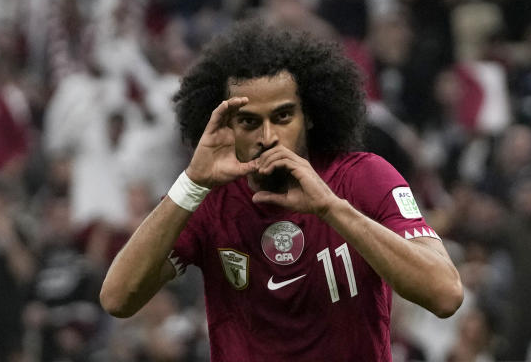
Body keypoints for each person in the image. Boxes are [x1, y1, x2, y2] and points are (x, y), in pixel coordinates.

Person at [100, 21, 463, 360]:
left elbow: (445, 294)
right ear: (226, 126)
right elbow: (117, 297)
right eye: (249, 121)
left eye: (283, 116)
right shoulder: (206, 201)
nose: (268, 136)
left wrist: (331, 208)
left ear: (311, 115)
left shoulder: (364, 178)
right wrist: (191, 183)